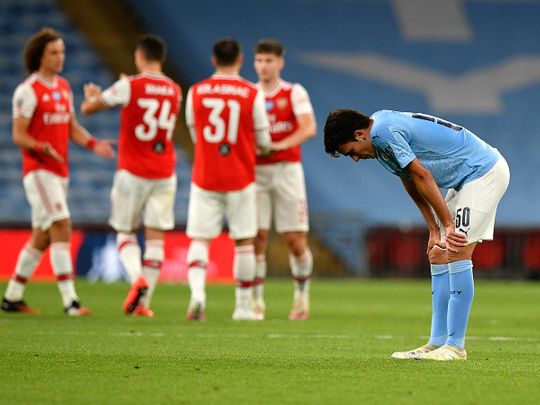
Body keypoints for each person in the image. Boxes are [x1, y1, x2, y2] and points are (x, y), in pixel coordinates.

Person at [324, 109, 510, 361]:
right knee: (439, 252)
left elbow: (423, 175)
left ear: (359, 135)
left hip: (482, 172)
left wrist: (447, 224)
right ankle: (436, 342)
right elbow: (410, 178)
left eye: (351, 152)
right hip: (465, 180)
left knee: (456, 249)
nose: (355, 159)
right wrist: (434, 228)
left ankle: (455, 347)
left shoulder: (382, 133)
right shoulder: (378, 133)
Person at [1, 28, 115, 316]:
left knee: (42, 234)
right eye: (54, 52)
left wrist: (93, 143)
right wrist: (41, 146)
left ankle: (12, 296)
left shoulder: (63, 86)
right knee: (62, 224)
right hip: (39, 171)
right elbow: (18, 134)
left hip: (60, 170)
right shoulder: (28, 90)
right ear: (40, 55)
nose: (60, 57)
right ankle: (70, 302)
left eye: (62, 51)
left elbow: (71, 127)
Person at [81, 34, 181, 317]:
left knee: (125, 231)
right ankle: (144, 304)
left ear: (139, 56)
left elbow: (89, 109)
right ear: (161, 58)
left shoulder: (129, 85)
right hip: (164, 172)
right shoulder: (175, 90)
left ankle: (136, 276)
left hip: (133, 171)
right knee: (156, 238)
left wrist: (91, 97)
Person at [185, 38, 271, 321]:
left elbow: (194, 132)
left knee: (200, 239)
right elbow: (265, 141)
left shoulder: (196, 91)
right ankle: (243, 307)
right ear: (240, 59)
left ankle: (198, 296)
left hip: (205, 176)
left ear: (213, 60)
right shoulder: (251, 92)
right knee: (244, 242)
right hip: (240, 176)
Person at [252, 39, 317, 320]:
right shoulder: (249, 93)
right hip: (255, 172)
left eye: (268, 60)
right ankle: (254, 301)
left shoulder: (293, 92)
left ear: (280, 62)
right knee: (256, 236)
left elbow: (309, 127)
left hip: (287, 170)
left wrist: (280, 145)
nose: (263, 66)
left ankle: (301, 296)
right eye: (259, 60)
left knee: (294, 239)